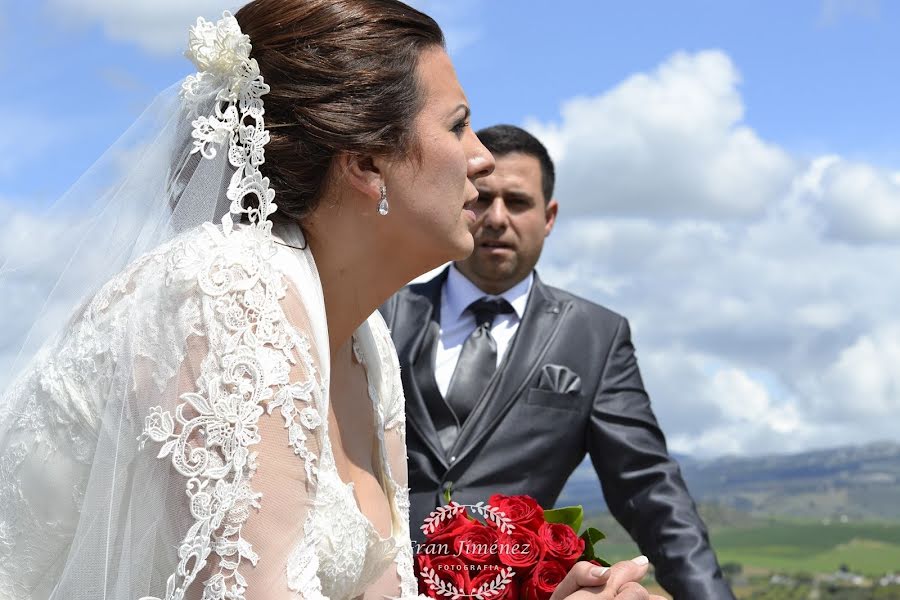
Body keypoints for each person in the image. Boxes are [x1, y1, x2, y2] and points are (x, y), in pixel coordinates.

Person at [0, 2, 664, 599]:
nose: (483, 158)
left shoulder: (363, 343)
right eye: (459, 126)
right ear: (367, 163)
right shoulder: (228, 294)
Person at [379, 124, 736, 600]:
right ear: (459, 200)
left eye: (519, 202)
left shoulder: (595, 337)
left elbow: (649, 487)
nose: (497, 218)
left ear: (549, 217)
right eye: (482, 198)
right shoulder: (382, 312)